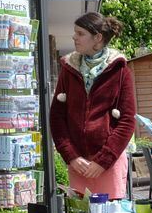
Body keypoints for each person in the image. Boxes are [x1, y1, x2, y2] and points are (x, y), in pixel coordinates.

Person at [50, 13, 136, 198]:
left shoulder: (120, 70)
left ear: (97, 38)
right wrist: (71, 156)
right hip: (78, 165)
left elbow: (128, 120)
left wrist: (103, 160)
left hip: (109, 165)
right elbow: (56, 117)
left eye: (80, 33)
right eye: (75, 33)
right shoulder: (68, 69)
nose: (74, 37)